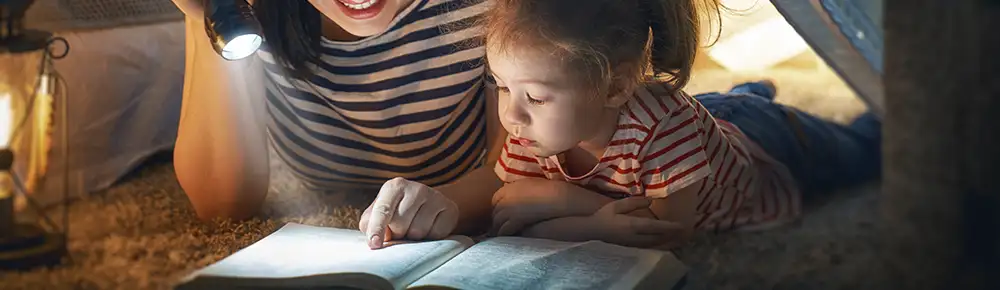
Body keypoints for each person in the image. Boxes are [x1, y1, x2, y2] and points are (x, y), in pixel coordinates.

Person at [479, 0, 881, 248]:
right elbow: (513, 223)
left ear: (615, 87)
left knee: (867, 149)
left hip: (769, 146)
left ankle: (751, 99)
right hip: (705, 125)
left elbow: (668, 231)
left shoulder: (665, 127)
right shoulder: (531, 129)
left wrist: (567, 205)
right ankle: (747, 93)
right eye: (500, 86)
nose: (511, 115)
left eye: (534, 96)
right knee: (716, 112)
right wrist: (597, 223)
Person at [168, 0, 511, 245]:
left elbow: (517, 166)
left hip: (457, 183)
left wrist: (453, 203)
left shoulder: (488, 10)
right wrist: (211, 16)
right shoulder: (253, 11)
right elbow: (221, 205)